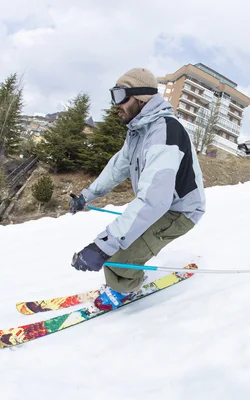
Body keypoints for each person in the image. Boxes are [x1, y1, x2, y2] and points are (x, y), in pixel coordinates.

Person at [69, 67, 206, 311]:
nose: (115, 105)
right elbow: (117, 167)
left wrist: (102, 246)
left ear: (142, 97)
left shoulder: (165, 131)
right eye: (113, 96)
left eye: (120, 96)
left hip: (179, 211)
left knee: (116, 261)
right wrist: (85, 196)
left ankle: (127, 287)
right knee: (116, 251)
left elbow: (155, 200)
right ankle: (122, 278)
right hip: (160, 206)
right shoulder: (138, 131)